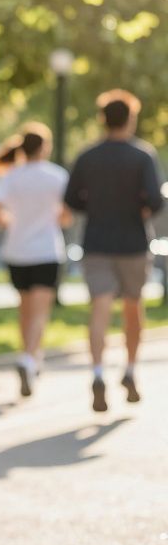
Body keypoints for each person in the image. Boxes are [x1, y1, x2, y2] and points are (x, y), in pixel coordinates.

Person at [63, 89, 164, 412]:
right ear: (130, 119)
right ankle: (130, 370)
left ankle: (97, 373)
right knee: (133, 308)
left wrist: (94, 206)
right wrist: (140, 208)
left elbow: (71, 199)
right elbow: (156, 201)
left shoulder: (87, 156)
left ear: (102, 119)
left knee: (100, 308)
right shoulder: (142, 156)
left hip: (96, 242)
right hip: (133, 243)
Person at [0, 122, 71, 398]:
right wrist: (55, 220)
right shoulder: (56, 176)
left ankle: (30, 356)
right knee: (40, 312)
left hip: (17, 251)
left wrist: (9, 223)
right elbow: (67, 214)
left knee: (25, 309)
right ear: (45, 148)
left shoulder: (11, 176)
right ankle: (29, 358)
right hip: (46, 251)